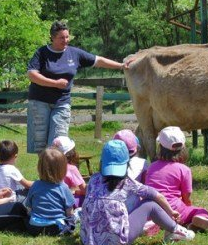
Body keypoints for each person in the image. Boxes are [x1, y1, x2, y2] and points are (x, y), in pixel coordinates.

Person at [26, 20, 133, 153]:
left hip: (61, 103)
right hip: (39, 102)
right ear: (52, 38)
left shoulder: (74, 53)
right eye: (61, 38)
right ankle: (44, 172)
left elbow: (98, 60)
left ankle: (55, 172)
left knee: (57, 144)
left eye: (67, 37)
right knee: (40, 146)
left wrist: (120, 66)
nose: (65, 40)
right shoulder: (42, 53)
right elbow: (32, 75)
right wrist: (55, 83)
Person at [80, 140, 195, 244]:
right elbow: (158, 196)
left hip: (88, 240)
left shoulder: (93, 179)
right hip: (117, 241)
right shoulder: (127, 183)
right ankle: (176, 230)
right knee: (149, 204)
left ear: (102, 162)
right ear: (126, 163)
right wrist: (170, 212)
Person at [145, 126, 208, 232]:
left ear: (160, 147)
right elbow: (186, 196)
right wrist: (187, 206)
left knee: (156, 215)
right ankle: (199, 218)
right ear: (183, 147)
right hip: (173, 209)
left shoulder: (152, 166)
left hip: (150, 208)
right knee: (199, 210)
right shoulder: (184, 169)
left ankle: (155, 223)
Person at [25, 148, 77, 236]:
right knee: (75, 215)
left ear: (40, 168)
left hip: (34, 227)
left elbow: (29, 209)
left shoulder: (35, 185)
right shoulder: (63, 187)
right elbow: (69, 212)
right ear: (63, 169)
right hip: (56, 227)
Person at [52, 136, 86, 208]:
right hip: (66, 202)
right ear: (71, 153)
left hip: (52, 200)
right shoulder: (71, 169)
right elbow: (84, 190)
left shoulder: (49, 167)